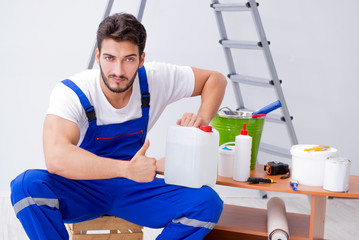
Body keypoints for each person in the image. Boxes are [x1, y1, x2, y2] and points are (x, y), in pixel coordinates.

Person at [10, 13, 227, 240]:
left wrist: (201, 121)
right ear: (98, 57)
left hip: (135, 189)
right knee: (27, 186)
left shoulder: (156, 78)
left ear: (141, 59)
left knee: (206, 203)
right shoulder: (73, 92)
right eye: (110, 58)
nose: (118, 71)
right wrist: (126, 169)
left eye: (129, 59)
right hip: (83, 188)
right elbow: (56, 158)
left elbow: (215, 79)